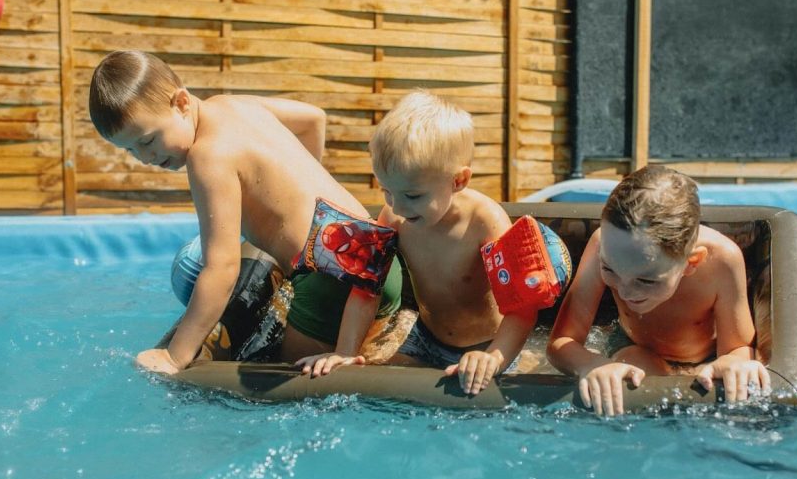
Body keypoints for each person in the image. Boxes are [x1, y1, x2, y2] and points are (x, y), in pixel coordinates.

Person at [88, 50, 402, 374]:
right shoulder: (233, 104)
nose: (144, 157)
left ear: (181, 103)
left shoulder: (206, 156)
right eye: (129, 150)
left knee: (279, 379)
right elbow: (313, 119)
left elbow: (222, 267)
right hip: (375, 255)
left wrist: (174, 356)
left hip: (330, 284)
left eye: (148, 140)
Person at [296, 90, 537, 395]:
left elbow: (522, 307)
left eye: (412, 196)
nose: (396, 207)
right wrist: (344, 354)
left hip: (487, 346)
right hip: (424, 340)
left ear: (458, 181)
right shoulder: (394, 218)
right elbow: (366, 291)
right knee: (375, 398)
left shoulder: (485, 222)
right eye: (386, 191)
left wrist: (494, 358)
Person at [546, 165, 770, 416]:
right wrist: (591, 364)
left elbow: (737, 347)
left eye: (646, 281)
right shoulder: (601, 244)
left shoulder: (723, 261)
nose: (625, 291)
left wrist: (733, 362)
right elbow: (561, 343)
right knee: (630, 374)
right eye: (609, 270)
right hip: (634, 347)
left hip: (705, 360)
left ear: (691, 263)